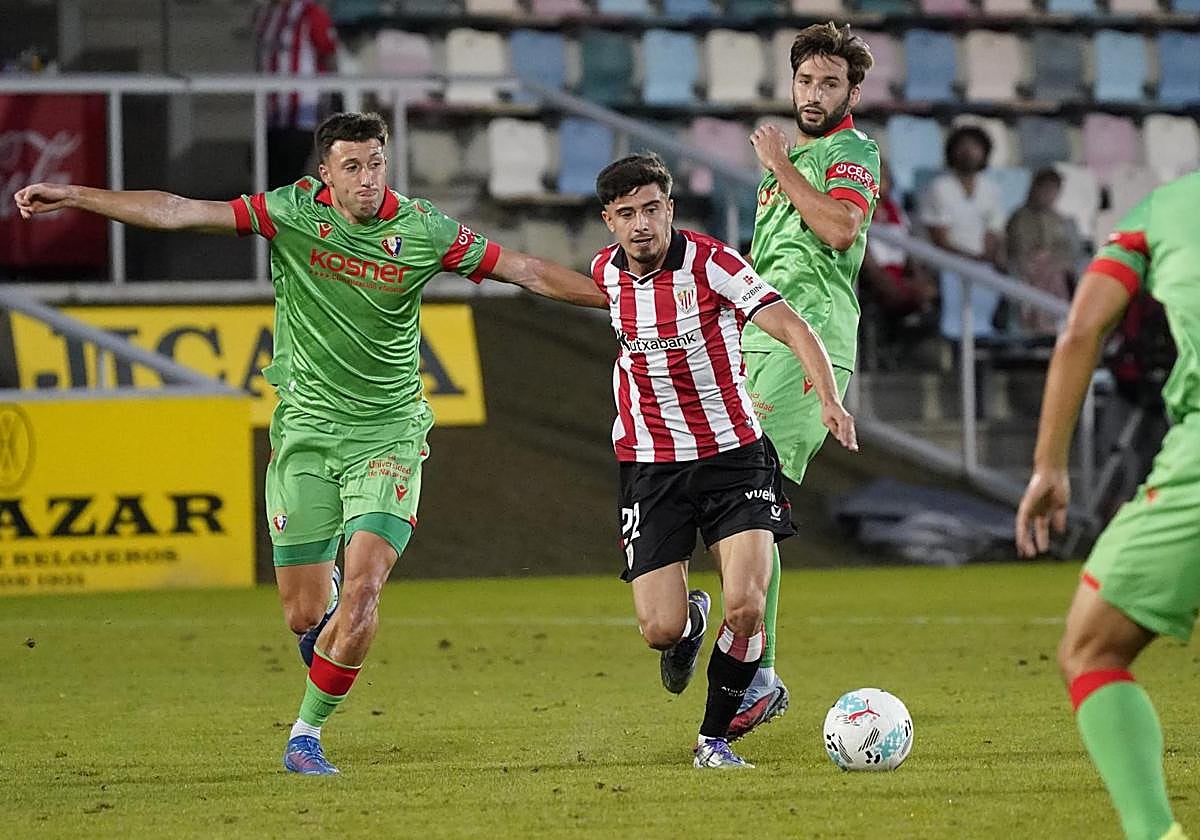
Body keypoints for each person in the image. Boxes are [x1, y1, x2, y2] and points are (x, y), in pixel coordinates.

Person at [15, 111, 606, 776]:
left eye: (376, 164)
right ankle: (326, 626)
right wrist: (78, 196)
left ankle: (305, 735)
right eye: (351, 167)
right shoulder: (290, 213)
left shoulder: (421, 228)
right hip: (306, 433)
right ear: (324, 172)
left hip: (388, 433)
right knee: (305, 615)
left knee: (366, 586)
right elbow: (178, 210)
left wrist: (622, 303)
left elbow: (523, 268)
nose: (366, 179)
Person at [590, 153, 857, 769]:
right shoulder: (606, 275)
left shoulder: (712, 264)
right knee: (659, 629)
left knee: (747, 603)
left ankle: (713, 740)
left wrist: (830, 399)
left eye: (652, 209)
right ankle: (687, 626)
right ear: (609, 220)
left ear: (670, 210)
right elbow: (542, 277)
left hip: (735, 456)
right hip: (652, 467)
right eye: (626, 213)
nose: (641, 225)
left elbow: (790, 325)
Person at [1016, 171, 1200, 840]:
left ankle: (1156, 834)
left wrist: (1049, 467)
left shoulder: (1164, 207)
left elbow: (1080, 330)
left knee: (1092, 649)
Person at [736, 21, 879, 740]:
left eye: (830, 83)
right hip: (757, 338)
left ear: (852, 90)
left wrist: (782, 165)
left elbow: (840, 231)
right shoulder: (787, 161)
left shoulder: (851, 152)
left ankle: (757, 674)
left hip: (810, 340)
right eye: (805, 81)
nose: (815, 94)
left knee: (755, 493)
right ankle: (727, 637)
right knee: (730, 494)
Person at [859, 158, 938, 369]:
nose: (880, 182)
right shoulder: (859, 209)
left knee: (928, 290)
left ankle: (906, 353)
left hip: (899, 272)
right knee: (893, 292)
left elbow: (908, 247)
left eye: (884, 177)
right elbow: (863, 253)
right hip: (873, 275)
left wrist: (917, 276)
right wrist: (881, 278)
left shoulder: (896, 211)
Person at [253, 0, 339, 187]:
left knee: (288, 177)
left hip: (302, 114)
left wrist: (332, 106)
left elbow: (329, 56)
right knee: (270, 179)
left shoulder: (310, 13)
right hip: (271, 114)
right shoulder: (267, 14)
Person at [919, 125, 1006, 270]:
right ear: (952, 151)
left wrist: (986, 261)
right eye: (963, 146)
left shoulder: (991, 189)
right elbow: (940, 241)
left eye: (975, 146)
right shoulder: (939, 187)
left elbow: (993, 232)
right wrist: (973, 261)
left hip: (982, 267)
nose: (969, 152)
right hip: (945, 265)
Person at [1005, 167, 1076, 337]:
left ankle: (1052, 324)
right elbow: (1017, 248)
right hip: (1027, 268)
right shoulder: (1019, 217)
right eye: (1045, 189)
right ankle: (1035, 324)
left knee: (1055, 275)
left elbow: (1069, 252)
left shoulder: (1061, 220)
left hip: (1054, 270)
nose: (1048, 194)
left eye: (1053, 190)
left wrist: (1053, 261)